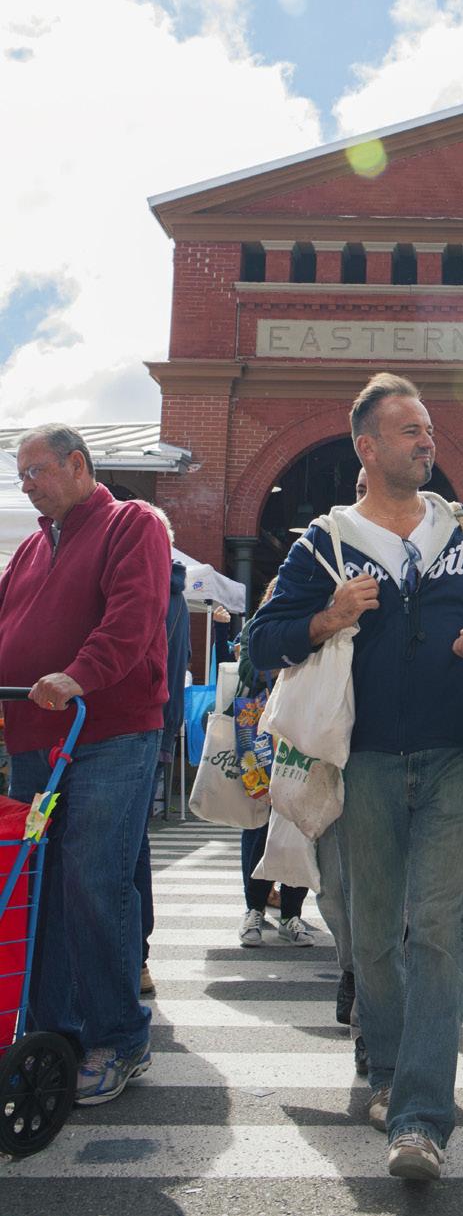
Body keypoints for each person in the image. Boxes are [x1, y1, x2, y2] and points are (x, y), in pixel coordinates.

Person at [249, 372, 463, 1181]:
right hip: (362, 762)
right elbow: (262, 640)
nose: (427, 440)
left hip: (456, 758)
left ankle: (419, 1116)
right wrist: (327, 616)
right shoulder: (325, 541)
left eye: (429, 428)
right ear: (367, 447)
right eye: (410, 430)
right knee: (371, 934)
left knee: (438, 931)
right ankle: (388, 1068)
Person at [0, 424, 171, 1105]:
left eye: (35, 470)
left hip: (107, 731)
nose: (26, 484)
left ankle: (118, 1037)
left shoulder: (133, 523)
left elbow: (133, 617)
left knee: (94, 880)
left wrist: (79, 674)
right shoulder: (30, 547)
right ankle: (54, 1033)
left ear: (76, 464)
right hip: (34, 737)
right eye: (21, 474)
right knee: (38, 887)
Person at [236, 577, 315, 948]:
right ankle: (253, 908)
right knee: (260, 823)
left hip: (303, 732)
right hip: (261, 734)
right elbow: (247, 670)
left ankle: (291, 914)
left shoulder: (315, 624)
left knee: (300, 820)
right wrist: (281, 662)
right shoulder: (259, 626)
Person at [135, 510, 191, 996]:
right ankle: (137, 959)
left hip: (138, 727)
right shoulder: (175, 592)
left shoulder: (160, 592)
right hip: (156, 726)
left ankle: (137, 957)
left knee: (129, 847)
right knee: (134, 844)